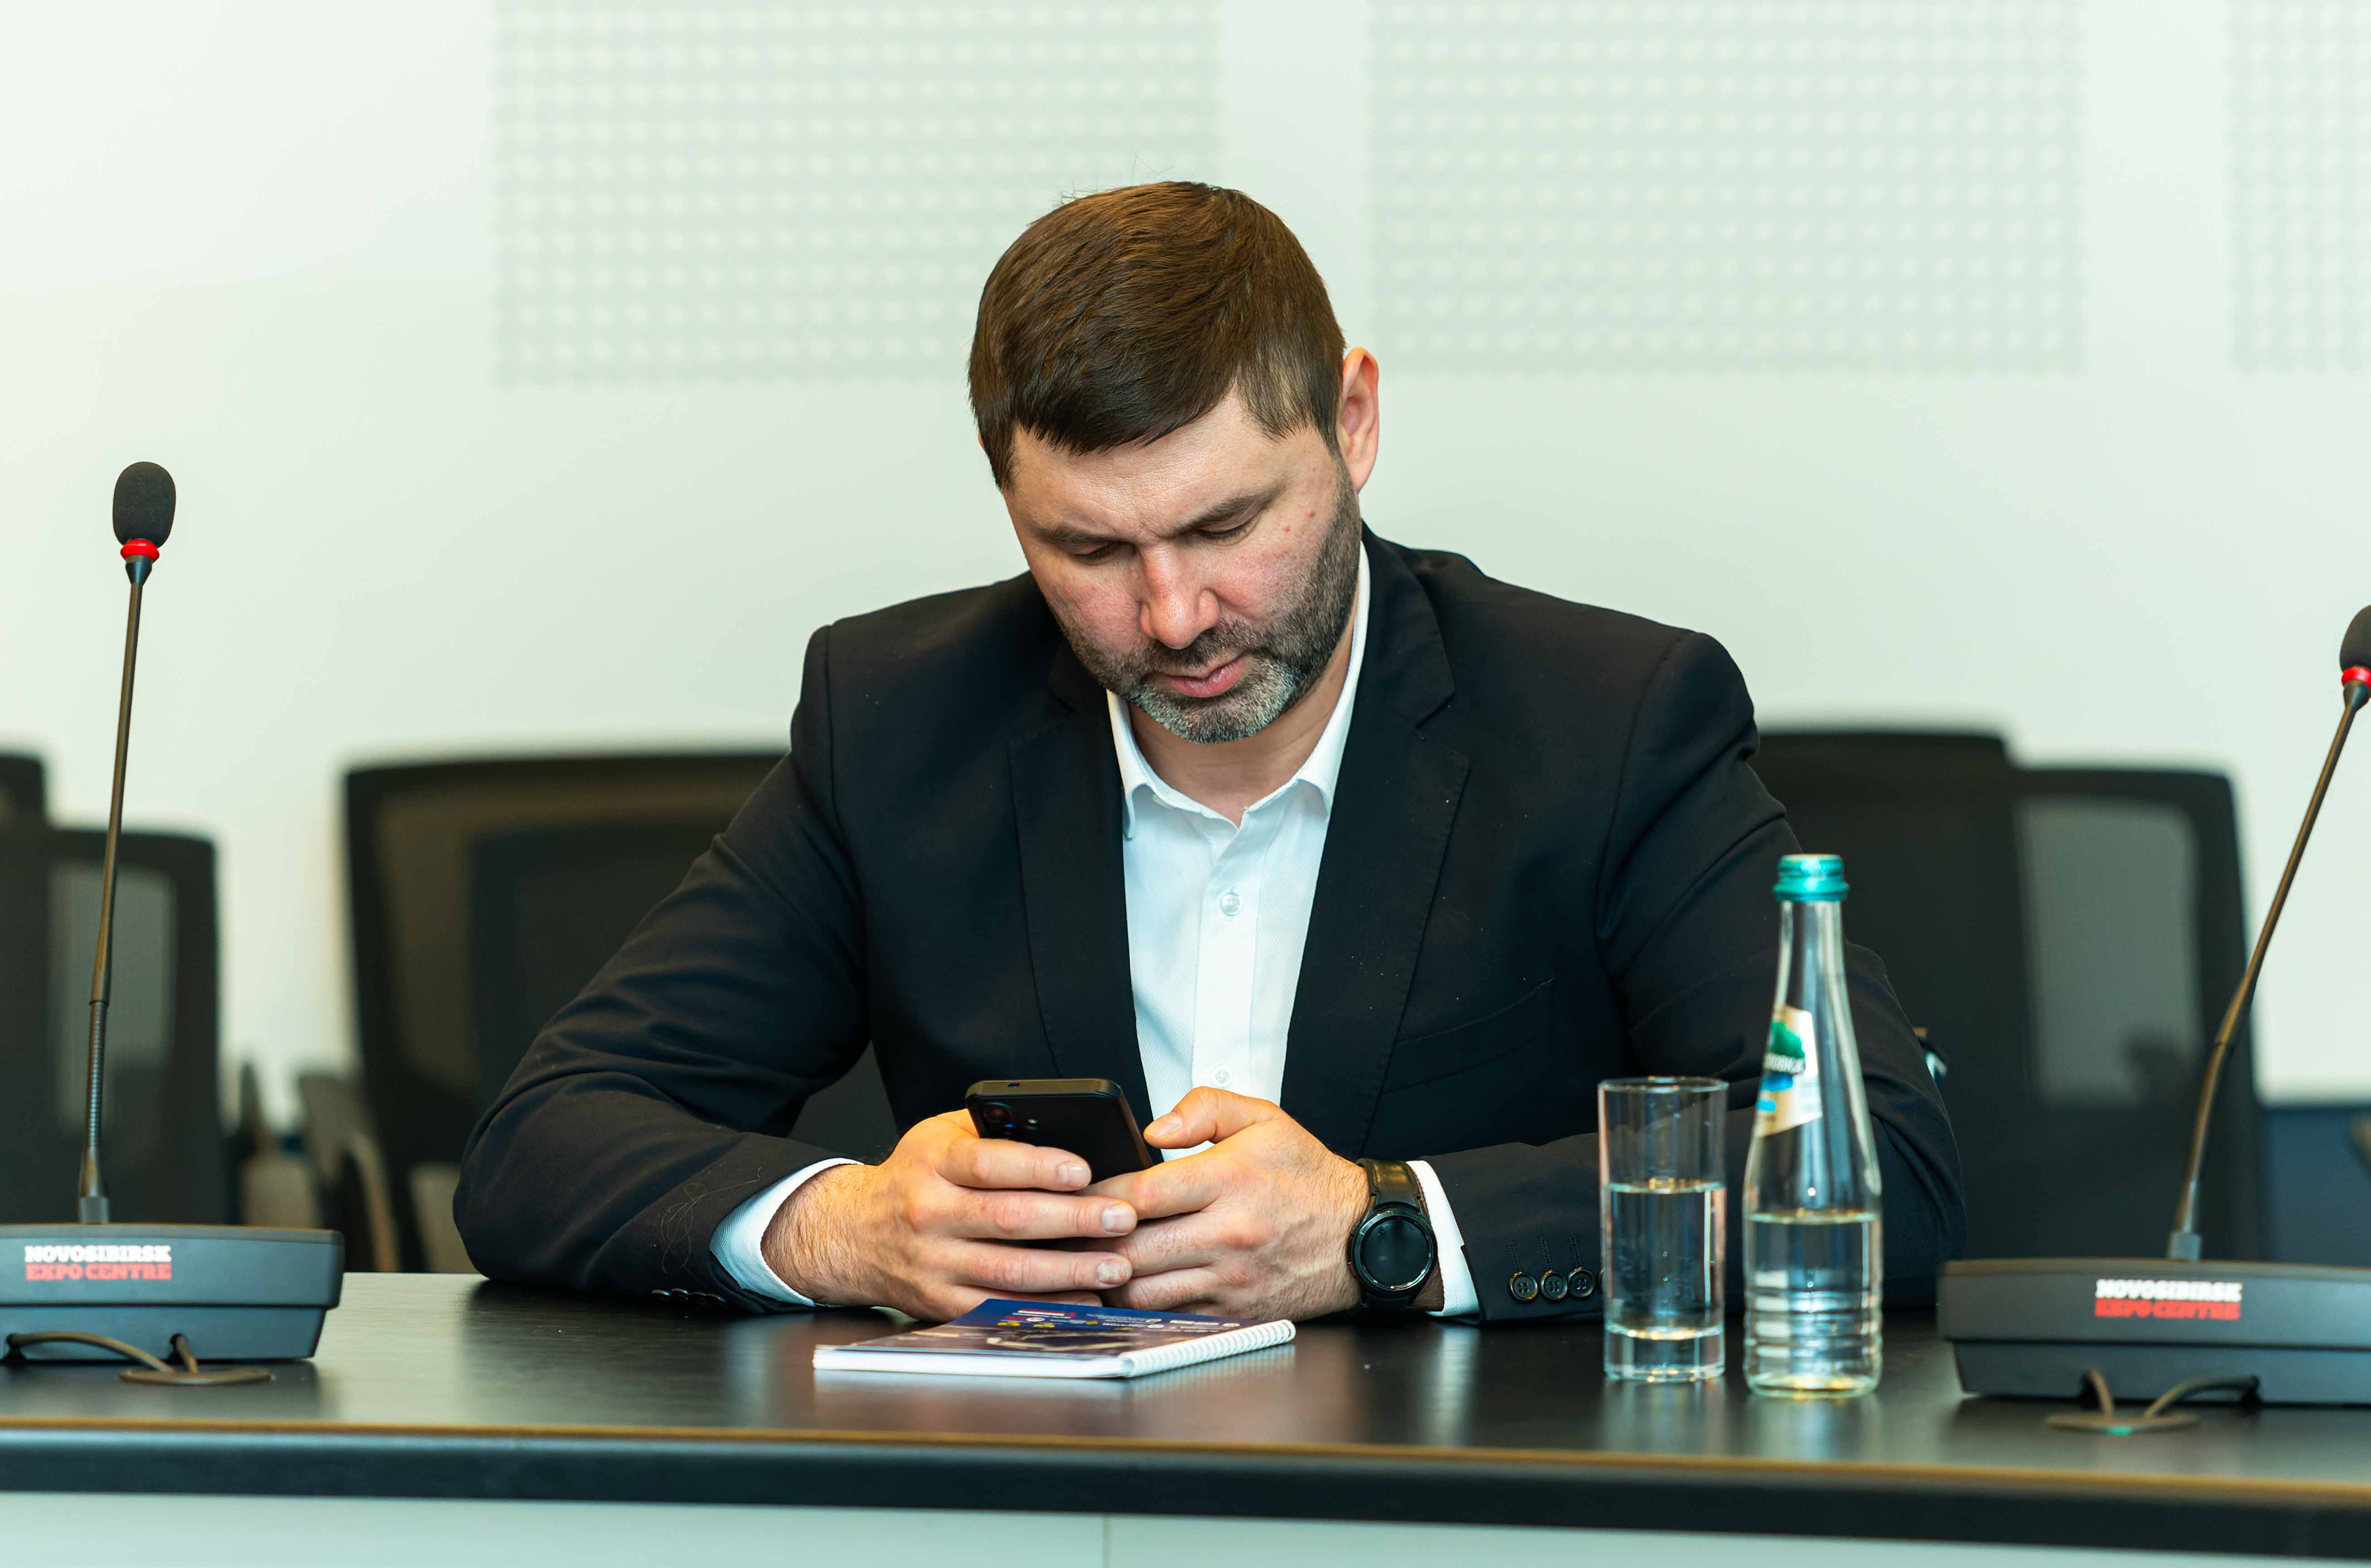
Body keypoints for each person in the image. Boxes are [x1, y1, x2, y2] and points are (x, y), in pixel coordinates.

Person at [455, 181, 1964, 1323]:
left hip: (1469, 1532)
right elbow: (541, 1141)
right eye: (1090, 549)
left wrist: (1382, 1228)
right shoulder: (903, 723)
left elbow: (1877, 1169)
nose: (1174, 616)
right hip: (1033, 1535)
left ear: (1353, 421)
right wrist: (845, 1227)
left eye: (1229, 525)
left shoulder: (1608, 720)